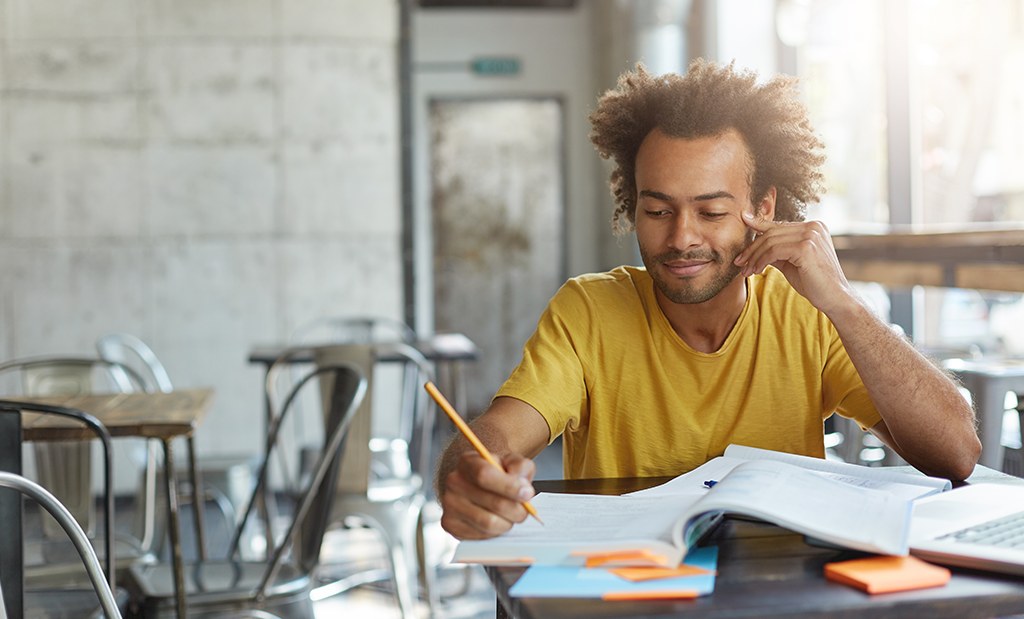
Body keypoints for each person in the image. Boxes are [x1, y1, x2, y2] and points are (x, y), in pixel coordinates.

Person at [435, 59, 981, 541]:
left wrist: (844, 304)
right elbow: (499, 433)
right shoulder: (588, 312)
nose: (681, 238)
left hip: (780, 593)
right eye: (657, 211)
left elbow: (957, 453)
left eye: (712, 212)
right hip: (627, 591)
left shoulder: (810, 314)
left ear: (763, 208)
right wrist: (470, 475)